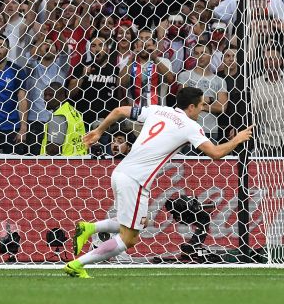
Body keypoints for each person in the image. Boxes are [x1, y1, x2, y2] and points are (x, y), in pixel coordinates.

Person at [64, 87, 254, 278]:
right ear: (191, 107)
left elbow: (119, 111)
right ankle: (78, 264)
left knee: (142, 222)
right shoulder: (190, 126)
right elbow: (216, 153)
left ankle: (90, 228)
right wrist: (237, 140)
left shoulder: (158, 110)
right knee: (129, 239)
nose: (203, 108)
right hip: (135, 180)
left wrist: (99, 130)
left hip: (121, 172)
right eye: (202, 105)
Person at [39, 82, 86, 156]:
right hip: (79, 158)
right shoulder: (73, 111)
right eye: (45, 95)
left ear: (62, 96)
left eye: (51, 95)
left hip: (64, 163)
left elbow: (53, 150)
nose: (46, 98)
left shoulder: (59, 116)